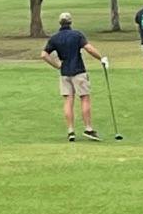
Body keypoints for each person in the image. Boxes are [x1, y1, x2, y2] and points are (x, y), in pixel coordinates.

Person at [42, 12, 107, 141]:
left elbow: (44, 55)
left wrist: (57, 65)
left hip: (65, 72)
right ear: (70, 22)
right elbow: (89, 48)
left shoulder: (55, 38)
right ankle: (88, 129)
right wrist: (101, 58)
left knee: (68, 101)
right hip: (78, 71)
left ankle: (70, 131)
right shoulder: (77, 35)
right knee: (84, 98)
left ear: (60, 23)